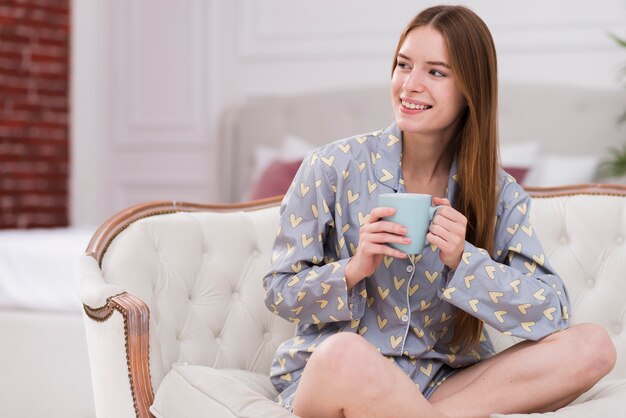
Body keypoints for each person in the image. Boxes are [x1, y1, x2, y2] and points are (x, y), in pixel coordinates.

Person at [263, 5, 616, 417]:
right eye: (403, 65)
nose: (410, 85)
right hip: (342, 379)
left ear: (470, 89)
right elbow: (279, 292)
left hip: (444, 386)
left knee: (593, 346)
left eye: (436, 72)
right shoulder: (330, 168)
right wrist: (353, 269)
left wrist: (465, 262)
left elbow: (551, 311)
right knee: (344, 354)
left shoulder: (498, 194)